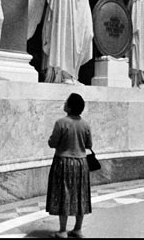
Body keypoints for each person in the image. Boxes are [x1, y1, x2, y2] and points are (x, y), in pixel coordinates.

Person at [47, 93, 93, 238]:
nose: (64, 103)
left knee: (64, 194)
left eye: (67, 101)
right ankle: (78, 229)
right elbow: (89, 144)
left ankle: (62, 230)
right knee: (81, 194)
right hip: (81, 163)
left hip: (64, 162)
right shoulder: (85, 124)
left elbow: (52, 143)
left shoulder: (61, 123)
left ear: (70, 106)